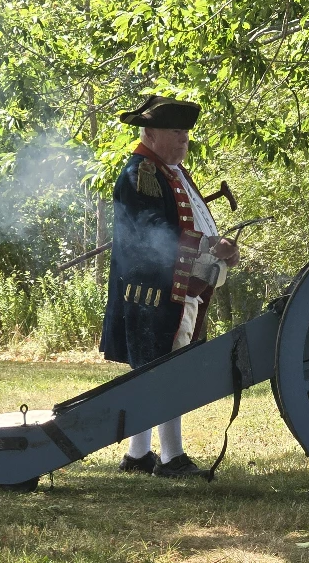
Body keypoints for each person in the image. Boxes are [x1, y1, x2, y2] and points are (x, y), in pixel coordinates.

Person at [100, 95, 240, 478]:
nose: (184, 139)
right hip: (155, 290)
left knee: (154, 369)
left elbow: (187, 224)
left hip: (177, 285)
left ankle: (138, 453)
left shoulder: (170, 171)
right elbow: (154, 235)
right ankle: (171, 457)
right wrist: (212, 247)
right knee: (166, 369)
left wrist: (220, 252)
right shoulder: (142, 173)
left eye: (185, 132)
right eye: (176, 132)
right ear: (151, 132)